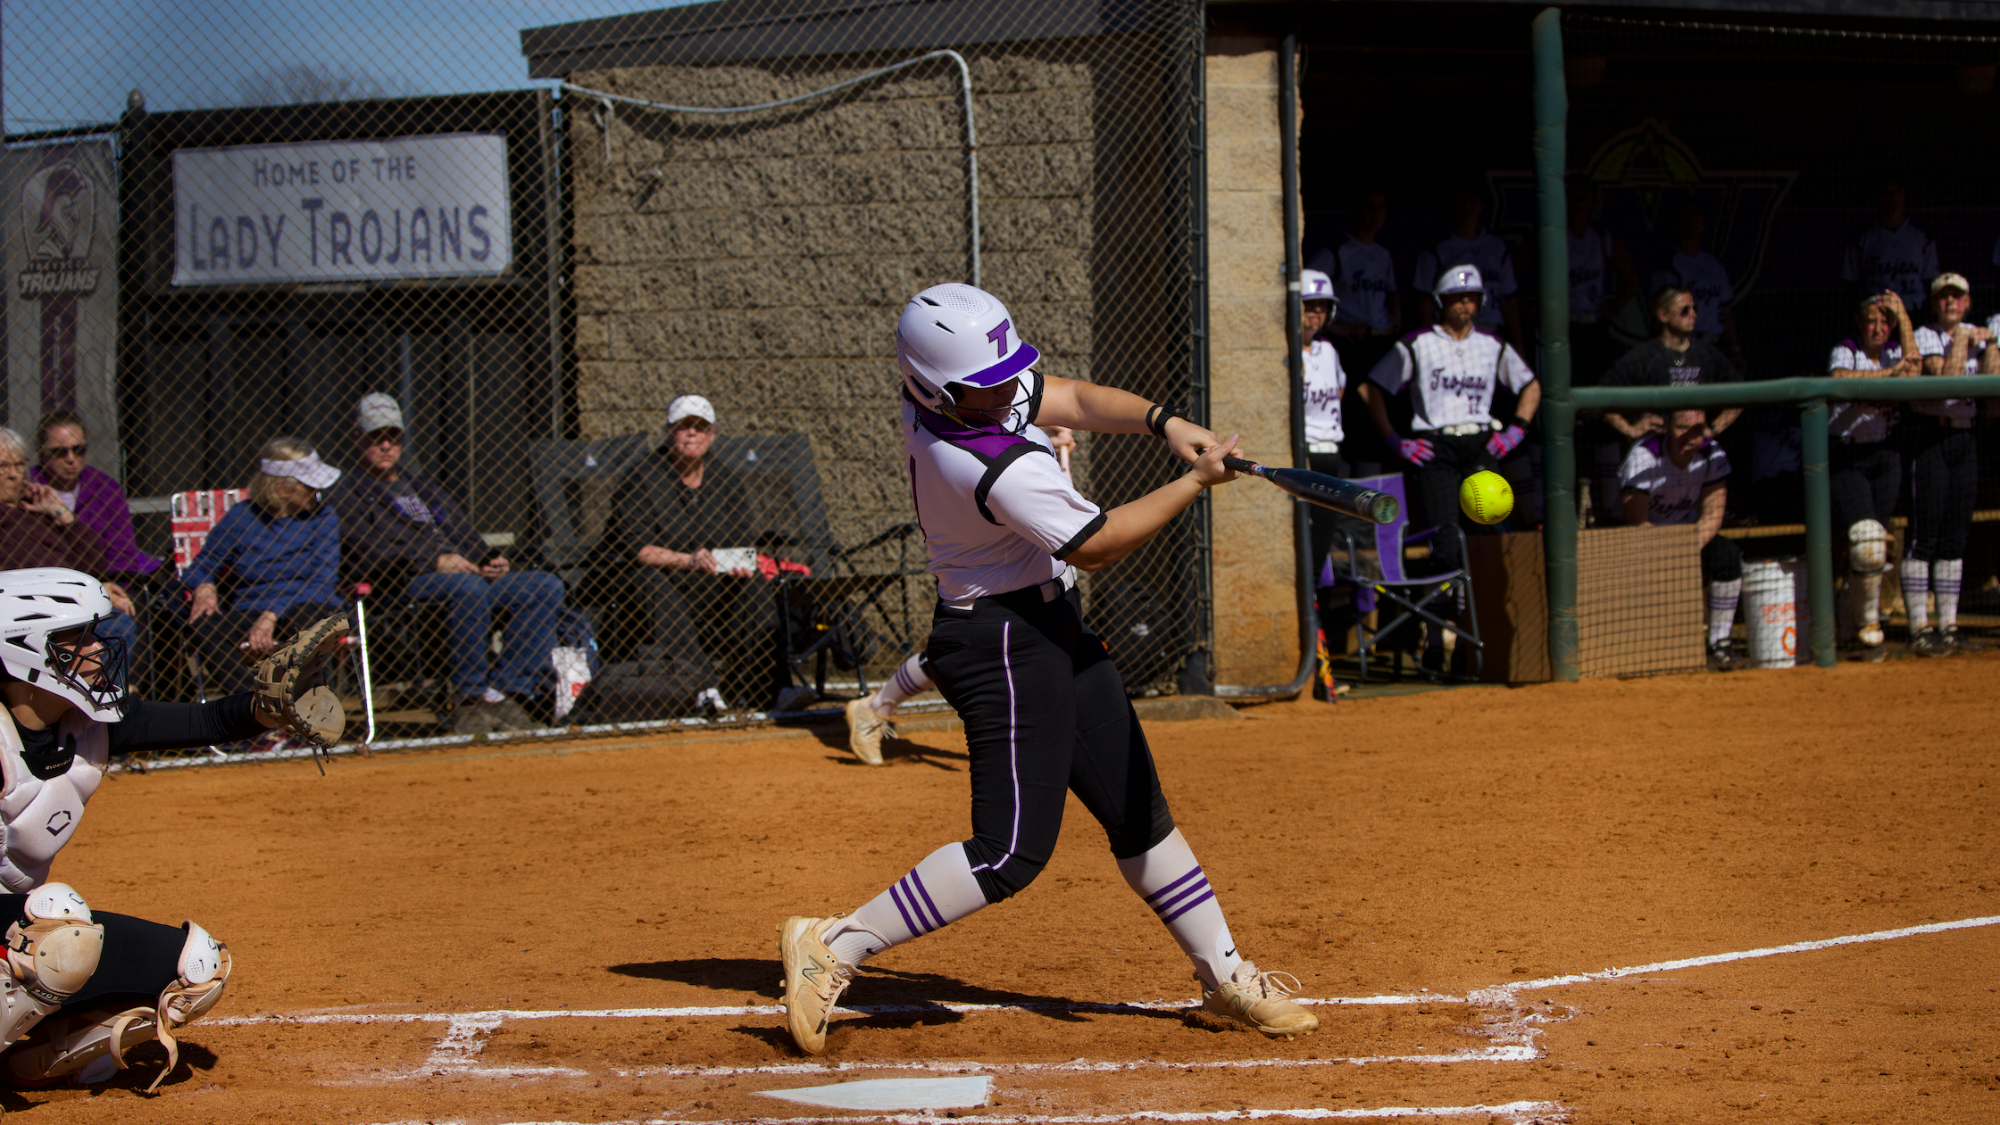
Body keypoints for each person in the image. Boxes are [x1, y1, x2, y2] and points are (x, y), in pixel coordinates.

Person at [778, 282, 1315, 1057]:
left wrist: (1165, 423)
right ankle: (834, 943)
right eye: (989, 387)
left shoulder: (962, 392)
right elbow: (1096, 541)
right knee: (1008, 853)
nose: (1009, 394)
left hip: (1050, 623)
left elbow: (1064, 395)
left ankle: (1224, 975)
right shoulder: (982, 462)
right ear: (938, 388)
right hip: (998, 639)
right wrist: (1196, 481)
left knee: (1137, 806)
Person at [0, 567, 308, 1088]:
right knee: (57, 926)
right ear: (25, 651)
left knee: (196, 969)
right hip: (25, 929)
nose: (100, 650)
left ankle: (22, 1067)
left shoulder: (87, 723)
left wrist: (264, 708)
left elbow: (204, 722)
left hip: (16, 927)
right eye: (79, 639)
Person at [327, 394, 566, 733]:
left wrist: (487, 558)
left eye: (392, 436)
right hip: (398, 587)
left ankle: (502, 692)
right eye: (374, 437)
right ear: (357, 439)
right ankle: (468, 700)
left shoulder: (419, 485)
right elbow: (370, 553)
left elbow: (459, 528)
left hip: (460, 578)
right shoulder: (347, 494)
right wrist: (434, 561)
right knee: (466, 588)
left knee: (543, 586)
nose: (385, 445)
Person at [1358, 264, 1540, 673]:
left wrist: (1516, 432)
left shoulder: (1492, 344)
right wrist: (1395, 440)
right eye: (1458, 297)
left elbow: (1531, 385)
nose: (1466, 303)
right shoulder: (1419, 343)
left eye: (1473, 297)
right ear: (1441, 302)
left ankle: (1475, 642)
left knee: (1484, 542)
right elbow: (1370, 388)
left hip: (1482, 445)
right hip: (1436, 446)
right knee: (1446, 546)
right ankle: (1439, 640)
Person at [599, 394, 786, 713]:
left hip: (713, 585)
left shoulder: (726, 478)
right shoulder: (641, 478)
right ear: (669, 432)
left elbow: (743, 540)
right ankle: (704, 687)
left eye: (701, 427)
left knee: (754, 583)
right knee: (648, 578)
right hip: (663, 586)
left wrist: (738, 563)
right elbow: (638, 549)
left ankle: (766, 690)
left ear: (712, 434)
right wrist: (687, 560)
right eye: (683, 426)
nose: (692, 433)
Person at [181, 438, 344, 696]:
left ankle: (300, 703)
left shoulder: (323, 517)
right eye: (310, 487)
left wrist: (272, 614)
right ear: (281, 489)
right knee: (204, 627)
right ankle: (257, 709)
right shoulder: (242, 517)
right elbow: (202, 564)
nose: (317, 493)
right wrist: (203, 584)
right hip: (251, 609)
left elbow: (322, 583)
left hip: (305, 604)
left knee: (307, 621)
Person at [1904, 272, 1995, 656]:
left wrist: (1991, 344)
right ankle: (1918, 627)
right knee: (1926, 535)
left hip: (1965, 437)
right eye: (1944, 297)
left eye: (1958, 297)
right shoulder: (1927, 336)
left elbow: (1991, 388)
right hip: (1931, 438)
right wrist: (1964, 338)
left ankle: (1949, 624)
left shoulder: (1978, 334)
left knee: (1956, 535)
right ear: (1934, 303)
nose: (1951, 303)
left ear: (1969, 302)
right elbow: (1949, 380)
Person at [1827, 291, 1919, 660]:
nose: (1879, 328)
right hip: (1847, 455)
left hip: (1885, 455)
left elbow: (1914, 370)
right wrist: (1890, 375)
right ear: (1859, 322)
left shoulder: (1898, 351)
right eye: (1872, 320)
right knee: (1866, 540)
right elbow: (1841, 379)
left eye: (1887, 321)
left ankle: (1854, 622)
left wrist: (1905, 318)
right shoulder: (1846, 349)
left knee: (1874, 548)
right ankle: (1869, 626)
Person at [0, 428, 139, 658]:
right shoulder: (6, 520)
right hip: (38, 615)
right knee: (117, 627)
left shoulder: (35, 507)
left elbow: (95, 561)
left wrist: (60, 512)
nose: (15, 474)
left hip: (74, 604)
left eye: (19, 464)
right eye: (4, 466)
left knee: (126, 614)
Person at [1618, 410, 1740, 669]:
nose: (1690, 438)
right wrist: (1668, 551)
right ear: (1667, 428)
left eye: (1697, 429)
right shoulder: (1644, 456)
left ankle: (1720, 641)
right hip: (1647, 542)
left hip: (1690, 538)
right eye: (1682, 428)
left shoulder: (1712, 453)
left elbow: (1713, 517)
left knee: (1726, 555)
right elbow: (1636, 521)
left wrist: (1685, 549)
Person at [28, 411, 162, 584]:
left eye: (79, 450)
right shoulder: (28, 489)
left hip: (103, 585)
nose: (71, 459)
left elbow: (122, 553)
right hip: (45, 586)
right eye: (60, 452)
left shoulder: (106, 489)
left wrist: (113, 589)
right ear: (41, 451)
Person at [1599, 286, 1744, 442]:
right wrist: (1630, 429)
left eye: (1695, 308)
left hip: (1695, 447)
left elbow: (1741, 395)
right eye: (1684, 310)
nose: (1693, 314)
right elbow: (1602, 397)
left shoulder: (1707, 353)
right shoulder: (1644, 357)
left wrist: (1712, 430)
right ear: (1663, 315)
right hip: (1656, 448)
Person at [1308, 187, 1401, 379]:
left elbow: (1392, 293)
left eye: (1381, 207)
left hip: (1381, 338)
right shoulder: (1337, 250)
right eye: (1369, 207)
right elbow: (1306, 287)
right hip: (1352, 340)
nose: (1375, 213)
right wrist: (1332, 327)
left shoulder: (1383, 254)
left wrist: (1396, 314)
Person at [1412, 186, 1521, 349]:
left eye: (1472, 200)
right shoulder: (1436, 248)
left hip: (1490, 334)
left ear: (1480, 206)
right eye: (1460, 201)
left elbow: (1509, 302)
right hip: (1450, 335)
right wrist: (1429, 346)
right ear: (1452, 206)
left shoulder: (1496, 246)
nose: (1467, 206)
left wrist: (1519, 347)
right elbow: (1423, 303)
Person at [1649, 201, 1744, 370]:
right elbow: (1665, 315)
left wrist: (1735, 349)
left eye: (1697, 216)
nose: (1692, 222)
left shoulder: (1713, 264)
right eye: (1686, 217)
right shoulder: (1668, 263)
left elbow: (1726, 310)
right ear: (1677, 223)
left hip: (1716, 344)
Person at [1564, 178, 1639, 386]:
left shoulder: (1602, 237)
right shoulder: (1551, 236)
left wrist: (1615, 306)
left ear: (1592, 203)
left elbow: (1631, 279)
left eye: (1584, 198)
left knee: (1595, 383)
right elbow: (1513, 276)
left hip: (1594, 327)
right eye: (1574, 197)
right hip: (1561, 328)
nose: (1579, 203)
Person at [1842, 180, 1935, 311]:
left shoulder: (1923, 239)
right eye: (1886, 192)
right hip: (1876, 314)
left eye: (1897, 192)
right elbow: (1850, 284)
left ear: (1904, 195)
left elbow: (1931, 283)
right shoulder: (1861, 240)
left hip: (1913, 311)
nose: (1892, 198)